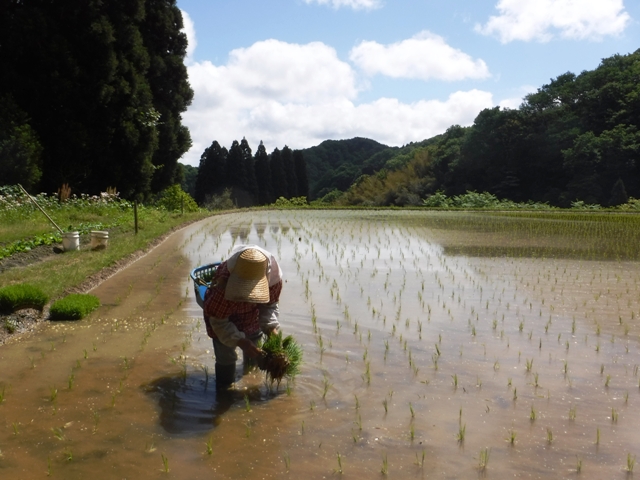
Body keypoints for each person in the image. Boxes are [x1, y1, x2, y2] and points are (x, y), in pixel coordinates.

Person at [202, 245, 282, 387]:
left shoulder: (273, 279)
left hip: (252, 317)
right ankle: (224, 391)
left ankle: (250, 382)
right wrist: (241, 342)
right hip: (224, 318)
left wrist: (272, 330)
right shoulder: (223, 284)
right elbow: (219, 322)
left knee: (255, 354)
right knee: (226, 357)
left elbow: (269, 306)